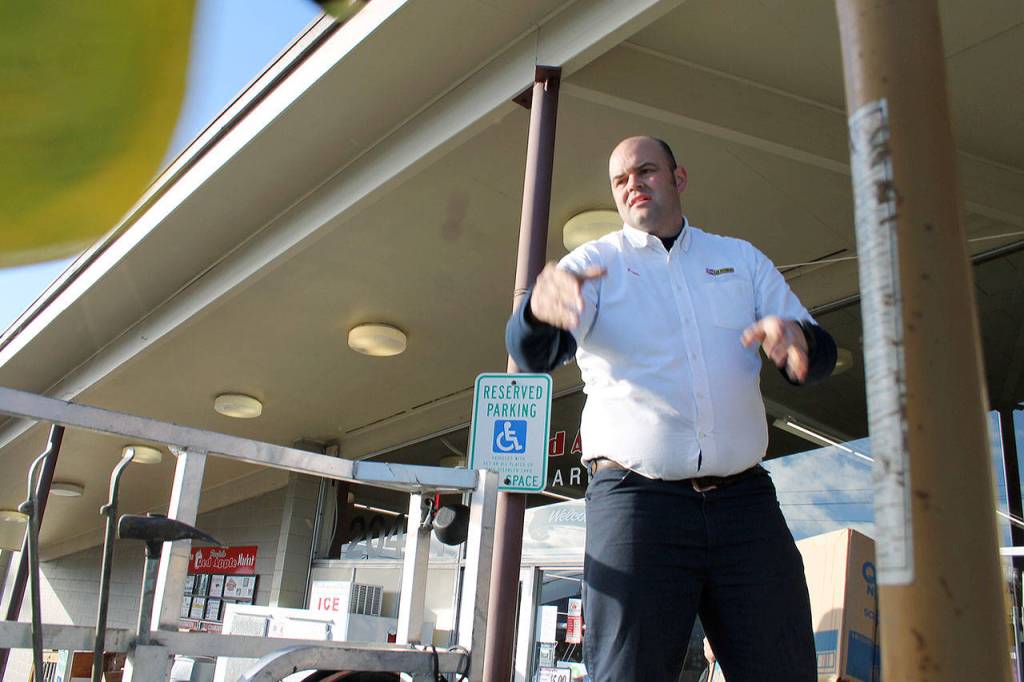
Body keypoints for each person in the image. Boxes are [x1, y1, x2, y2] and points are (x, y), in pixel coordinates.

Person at [506, 136, 836, 681]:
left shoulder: (739, 260)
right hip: (638, 506)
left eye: (646, 171)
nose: (633, 184)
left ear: (678, 178)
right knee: (628, 673)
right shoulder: (592, 265)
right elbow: (534, 353)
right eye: (620, 180)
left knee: (785, 668)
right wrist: (537, 313)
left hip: (745, 507)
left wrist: (797, 341)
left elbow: (813, 351)